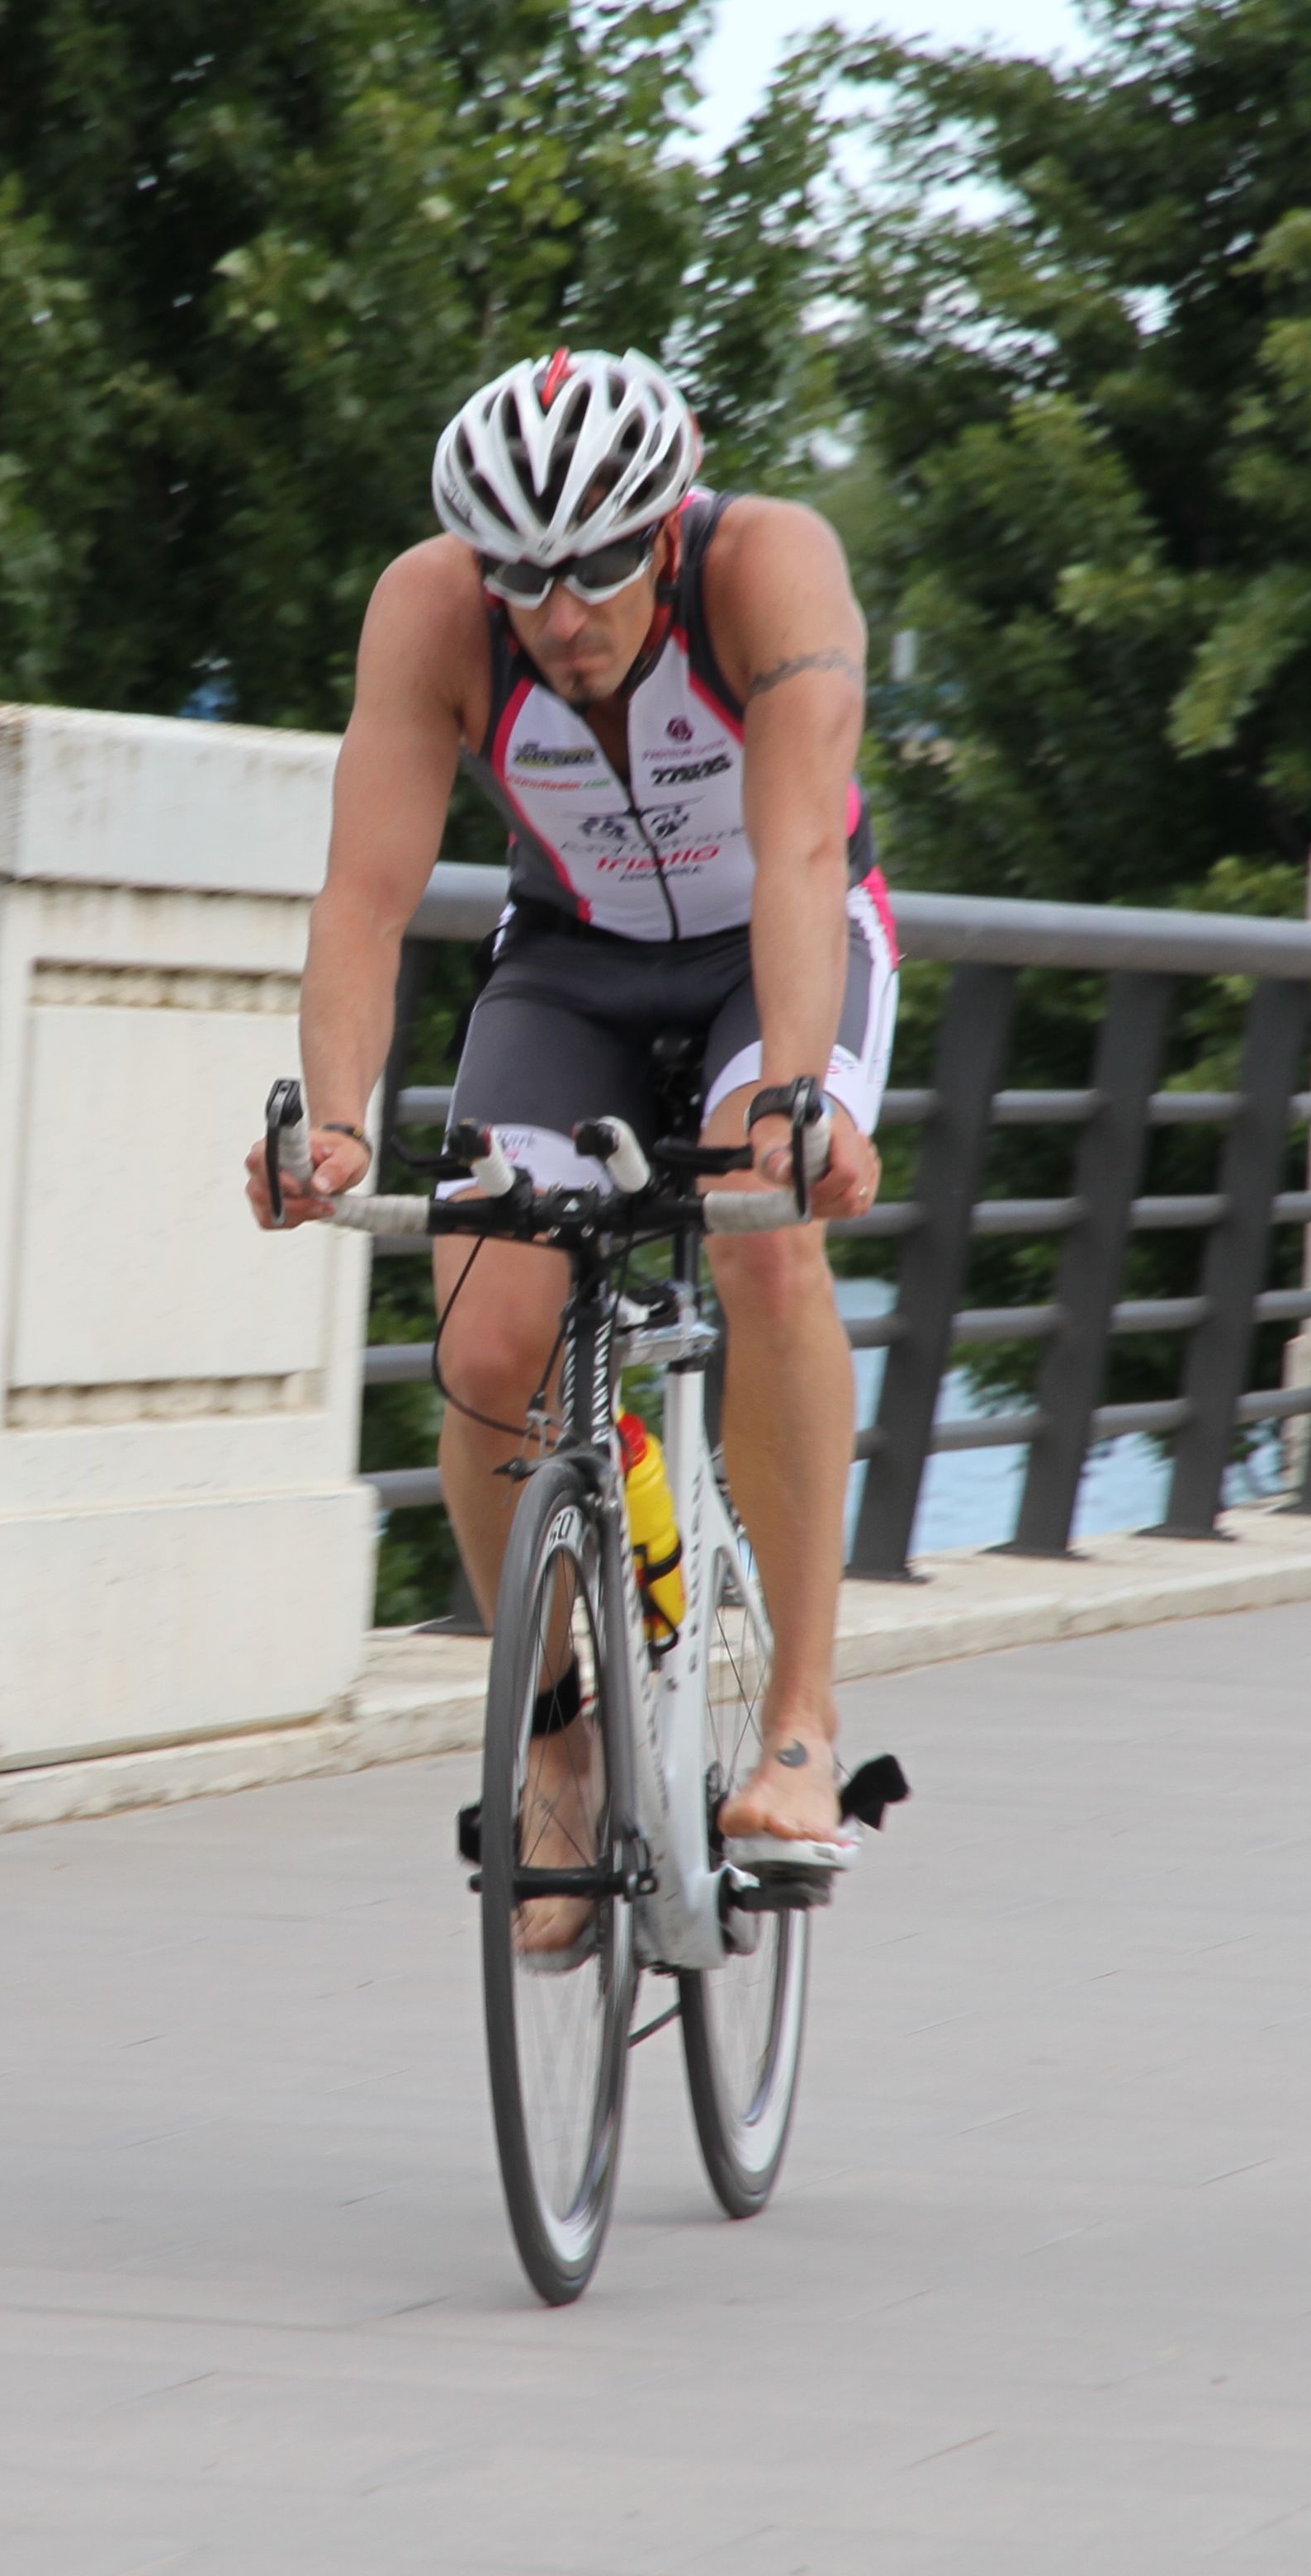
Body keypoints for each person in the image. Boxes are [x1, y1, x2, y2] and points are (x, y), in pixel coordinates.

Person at [247, 348, 897, 1897]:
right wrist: (332, 1126)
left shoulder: (768, 568)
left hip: (770, 954)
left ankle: (799, 1723)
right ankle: (556, 1750)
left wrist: (797, 1100)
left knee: (764, 1244)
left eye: (599, 567)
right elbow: (366, 894)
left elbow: (803, 857)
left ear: (666, 532)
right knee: (484, 1345)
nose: (561, 613)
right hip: (571, 968)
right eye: (522, 575)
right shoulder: (432, 610)